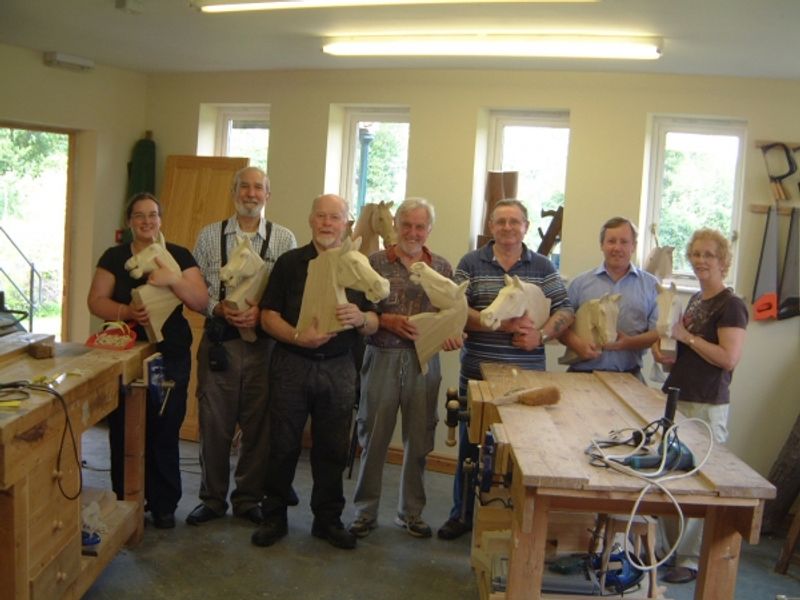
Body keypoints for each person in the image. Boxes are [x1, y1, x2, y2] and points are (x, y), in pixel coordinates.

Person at [438, 199, 574, 540]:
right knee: (471, 448)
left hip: (528, 379)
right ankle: (462, 514)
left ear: (526, 227)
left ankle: (517, 520)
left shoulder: (543, 267)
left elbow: (566, 308)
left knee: (524, 452)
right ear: (491, 225)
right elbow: (456, 307)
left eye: (515, 222)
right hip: (478, 374)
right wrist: (500, 326)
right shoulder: (471, 262)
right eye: (501, 222)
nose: (508, 228)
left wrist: (540, 335)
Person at [251, 193, 379, 550]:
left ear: (346, 223)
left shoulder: (357, 265)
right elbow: (267, 315)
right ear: (310, 220)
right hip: (292, 364)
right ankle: (274, 515)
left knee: (332, 449)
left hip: (339, 368)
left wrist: (362, 318)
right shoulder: (290, 263)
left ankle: (328, 520)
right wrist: (296, 336)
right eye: (321, 216)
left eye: (334, 217)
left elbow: (374, 320)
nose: (327, 223)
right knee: (281, 445)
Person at [87, 192, 208, 529]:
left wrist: (174, 279)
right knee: (124, 429)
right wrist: (126, 311)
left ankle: (164, 503)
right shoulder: (113, 257)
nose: (146, 221)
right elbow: (96, 301)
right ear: (129, 222)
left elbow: (200, 301)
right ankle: (127, 499)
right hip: (125, 353)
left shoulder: (180, 255)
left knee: (165, 427)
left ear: (160, 219)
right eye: (139, 215)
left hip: (170, 354)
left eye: (152, 215)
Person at [187, 167, 297, 526]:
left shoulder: (284, 239)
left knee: (259, 425)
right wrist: (215, 307)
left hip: (264, 345)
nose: (251, 194)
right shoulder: (209, 236)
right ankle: (213, 498)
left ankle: (248, 498)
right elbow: (197, 287)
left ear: (268, 195)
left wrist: (261, 313)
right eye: (244, 187)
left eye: (258, 188)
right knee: (213, 422)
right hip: (220, 343)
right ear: (234, 192)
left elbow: (290, 293)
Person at [348, 198, 462, 540]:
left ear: (429, 229)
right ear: (395, 225)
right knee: (374, 438)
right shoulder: (374, 262)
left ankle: (411, 513)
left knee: (420, 439)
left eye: (420, 226)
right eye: (407, 224)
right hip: (381, 356)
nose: (413, 232)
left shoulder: (442, 266)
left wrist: (452, 335)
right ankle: (365, 513)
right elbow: (357, 312)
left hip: (424, 362)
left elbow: (452, 313)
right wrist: (386, 320)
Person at [652, 228, 748, 584]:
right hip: (679, 397)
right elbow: (688, 354)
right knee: (666, 475)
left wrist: (686, 337)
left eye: (709, 255)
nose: (701, 261)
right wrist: (667, 358)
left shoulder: (731, 305)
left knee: (697, 483)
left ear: (723, 260)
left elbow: (728, 359)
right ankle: (664, 551)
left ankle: (689, 559)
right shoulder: (696, 301)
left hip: (707, 405)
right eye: (696, 254)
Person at [559, 217, 660, 381]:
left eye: (624, 242)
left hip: (629, 377)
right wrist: (577, 344)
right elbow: (561, 328)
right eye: (611, 241)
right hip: (581, 376)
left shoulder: (651, 286)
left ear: (633, 246)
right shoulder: (579, 284)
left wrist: (628, 343)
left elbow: (658, 332)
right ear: (602, 245)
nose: (617, 247)